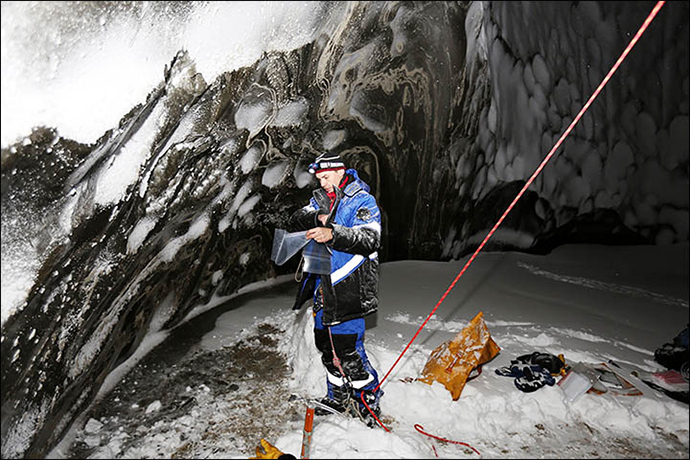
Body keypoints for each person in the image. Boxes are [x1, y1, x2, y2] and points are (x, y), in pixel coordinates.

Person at [288, 152, 383, 424]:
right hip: (322, 288)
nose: (322, 182)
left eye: (326, 176)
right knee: (326, 347)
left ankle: (368, 400)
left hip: (349, 287)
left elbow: (369, 238)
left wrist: (333, 232)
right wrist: (317, 217)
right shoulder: (319, 199)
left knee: (349, 351)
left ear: (341, 172)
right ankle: (337, 397)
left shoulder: (362, 201)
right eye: (318, 178)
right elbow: (296, 219)